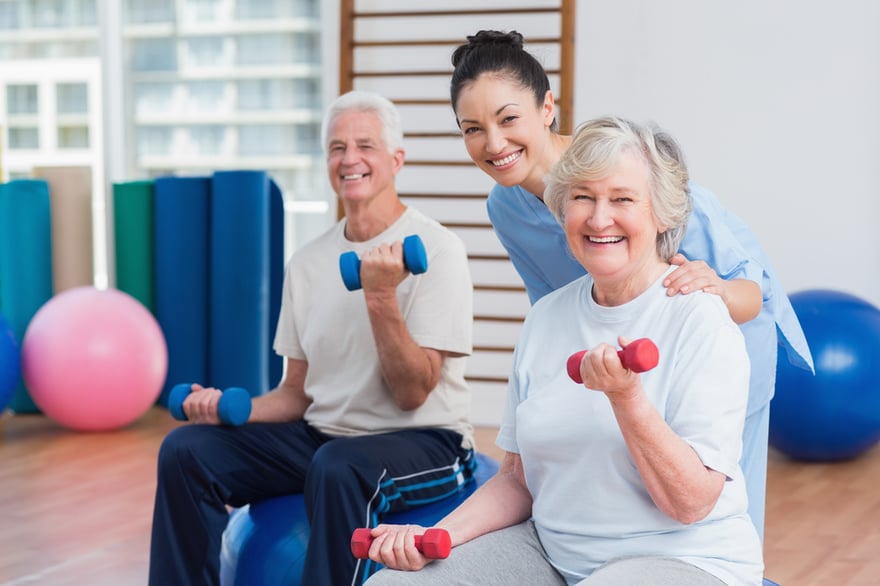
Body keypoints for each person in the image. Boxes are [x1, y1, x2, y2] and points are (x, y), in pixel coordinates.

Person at [364, 116, 764, 586]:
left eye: (622, 199)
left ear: (662, 214)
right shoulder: (547, 317)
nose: (598, 218)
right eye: (582, 197)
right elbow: (518, 480)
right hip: (550, 555)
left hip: (686, 559)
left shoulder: (700, 319)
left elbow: (692, 502)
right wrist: (433, 536)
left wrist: (627, 399)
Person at [446, 29, 813, 540]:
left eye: (508, 119)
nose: (494, 142)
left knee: (718, 510)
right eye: (472, 128)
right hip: (632, 354)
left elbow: (752, 292)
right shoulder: (504, 207)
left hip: (721, 337)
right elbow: (551, 309)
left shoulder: (627, 169)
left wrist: (718, 291)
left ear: (547, 107)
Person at [148, 90, 477, 586]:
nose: (349, 159)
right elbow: (297, 392)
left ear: (396, 159)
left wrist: (381, 297)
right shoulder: (307, 263)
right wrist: (223, 408)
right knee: (185, 451)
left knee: (338, 466)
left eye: (365, 145)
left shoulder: (439, 249)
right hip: (325, 438)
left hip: (426, 440)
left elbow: (413, 393)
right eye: (336, 147)